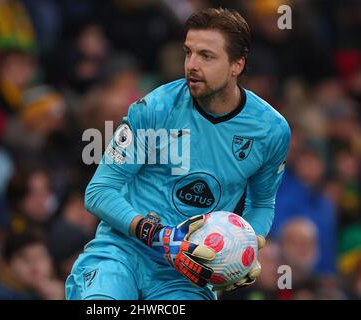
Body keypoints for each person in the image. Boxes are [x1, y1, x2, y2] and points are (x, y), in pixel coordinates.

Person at [66, 7, 290, 300]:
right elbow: (99, 191)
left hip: (187, 276)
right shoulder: (154, 108)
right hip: (122, 253)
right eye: (188, 53)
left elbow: (262, 203)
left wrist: (245, 248)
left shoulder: (271, 130)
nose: (192, 65)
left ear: (237, 64)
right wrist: (157, 235)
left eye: (206, 56)